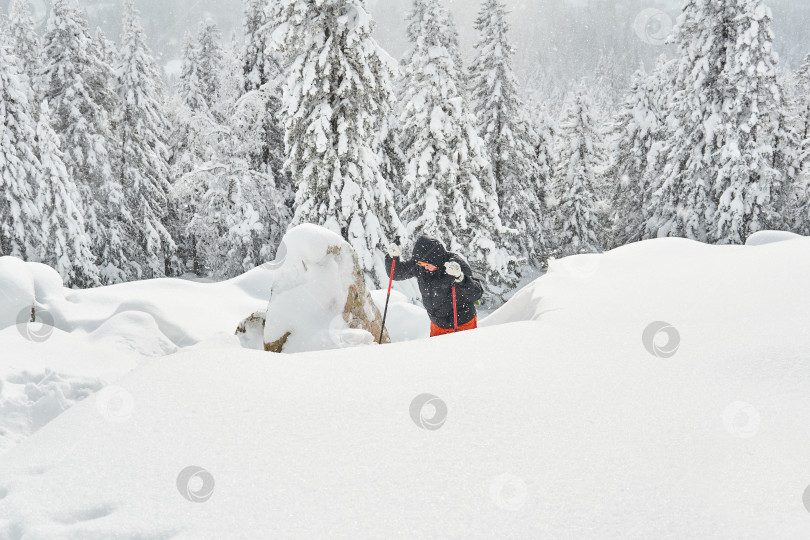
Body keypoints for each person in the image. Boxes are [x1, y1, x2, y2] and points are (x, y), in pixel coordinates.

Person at [385, 235, 484, 337]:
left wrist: (460, 278)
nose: (425, 267)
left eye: (427, 264)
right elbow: (396, 273)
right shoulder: (421, 265)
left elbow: (476, 293)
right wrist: (392, 257)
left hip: (462, 324)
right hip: (437, 325)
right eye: (422, 264)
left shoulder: (455, 265)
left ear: (434, 259)